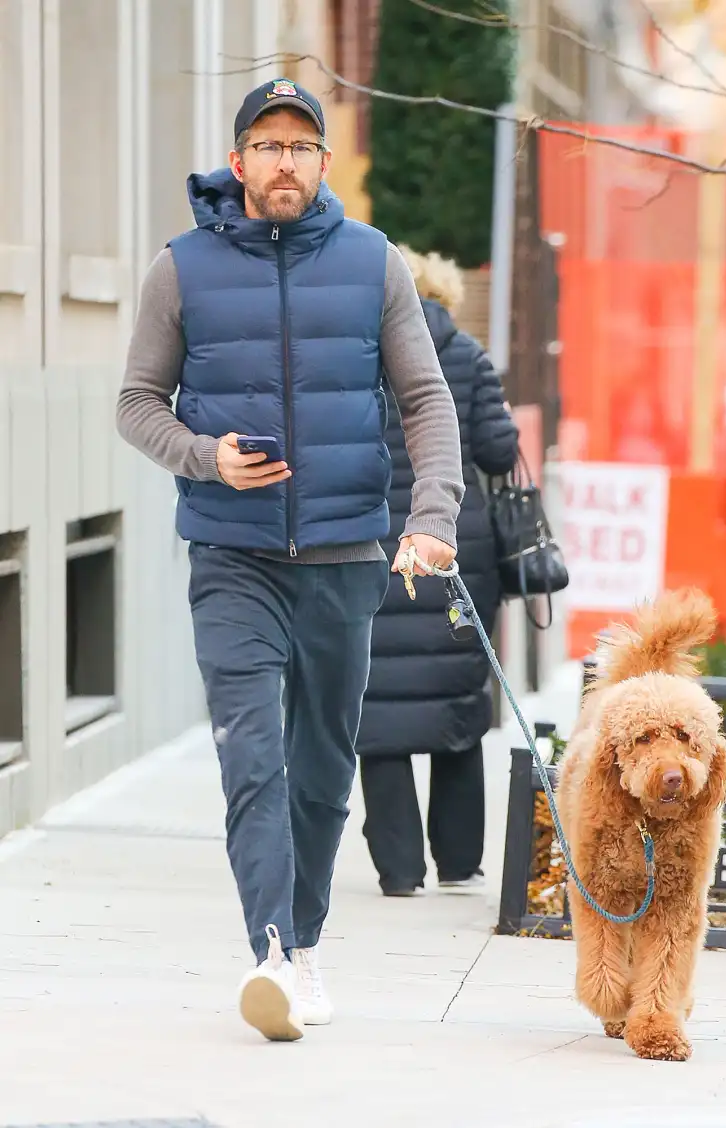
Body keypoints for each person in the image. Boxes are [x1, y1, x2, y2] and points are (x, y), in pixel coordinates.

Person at [116, 79, 463, 1043]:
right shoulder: (179, 269)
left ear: (322, 163)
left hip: (348, 555)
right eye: (266, 146)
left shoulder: (373, 264)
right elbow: (137, 401)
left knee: (320, 768)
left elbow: (428, 403)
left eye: (300, 147)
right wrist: (204, 457)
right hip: (232, 555)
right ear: (238, 162)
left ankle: (304, 945)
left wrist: (430, 517)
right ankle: (269, 951)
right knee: (251, 758)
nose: (283, 162)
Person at [355, 247, 518, 897]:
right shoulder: (469, 357)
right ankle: (458, 861)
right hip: (455, 548)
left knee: (378, 703)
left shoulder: (362, 355)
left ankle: (399, 870)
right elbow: (500, 450)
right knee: (455, 703)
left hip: (375, 543)